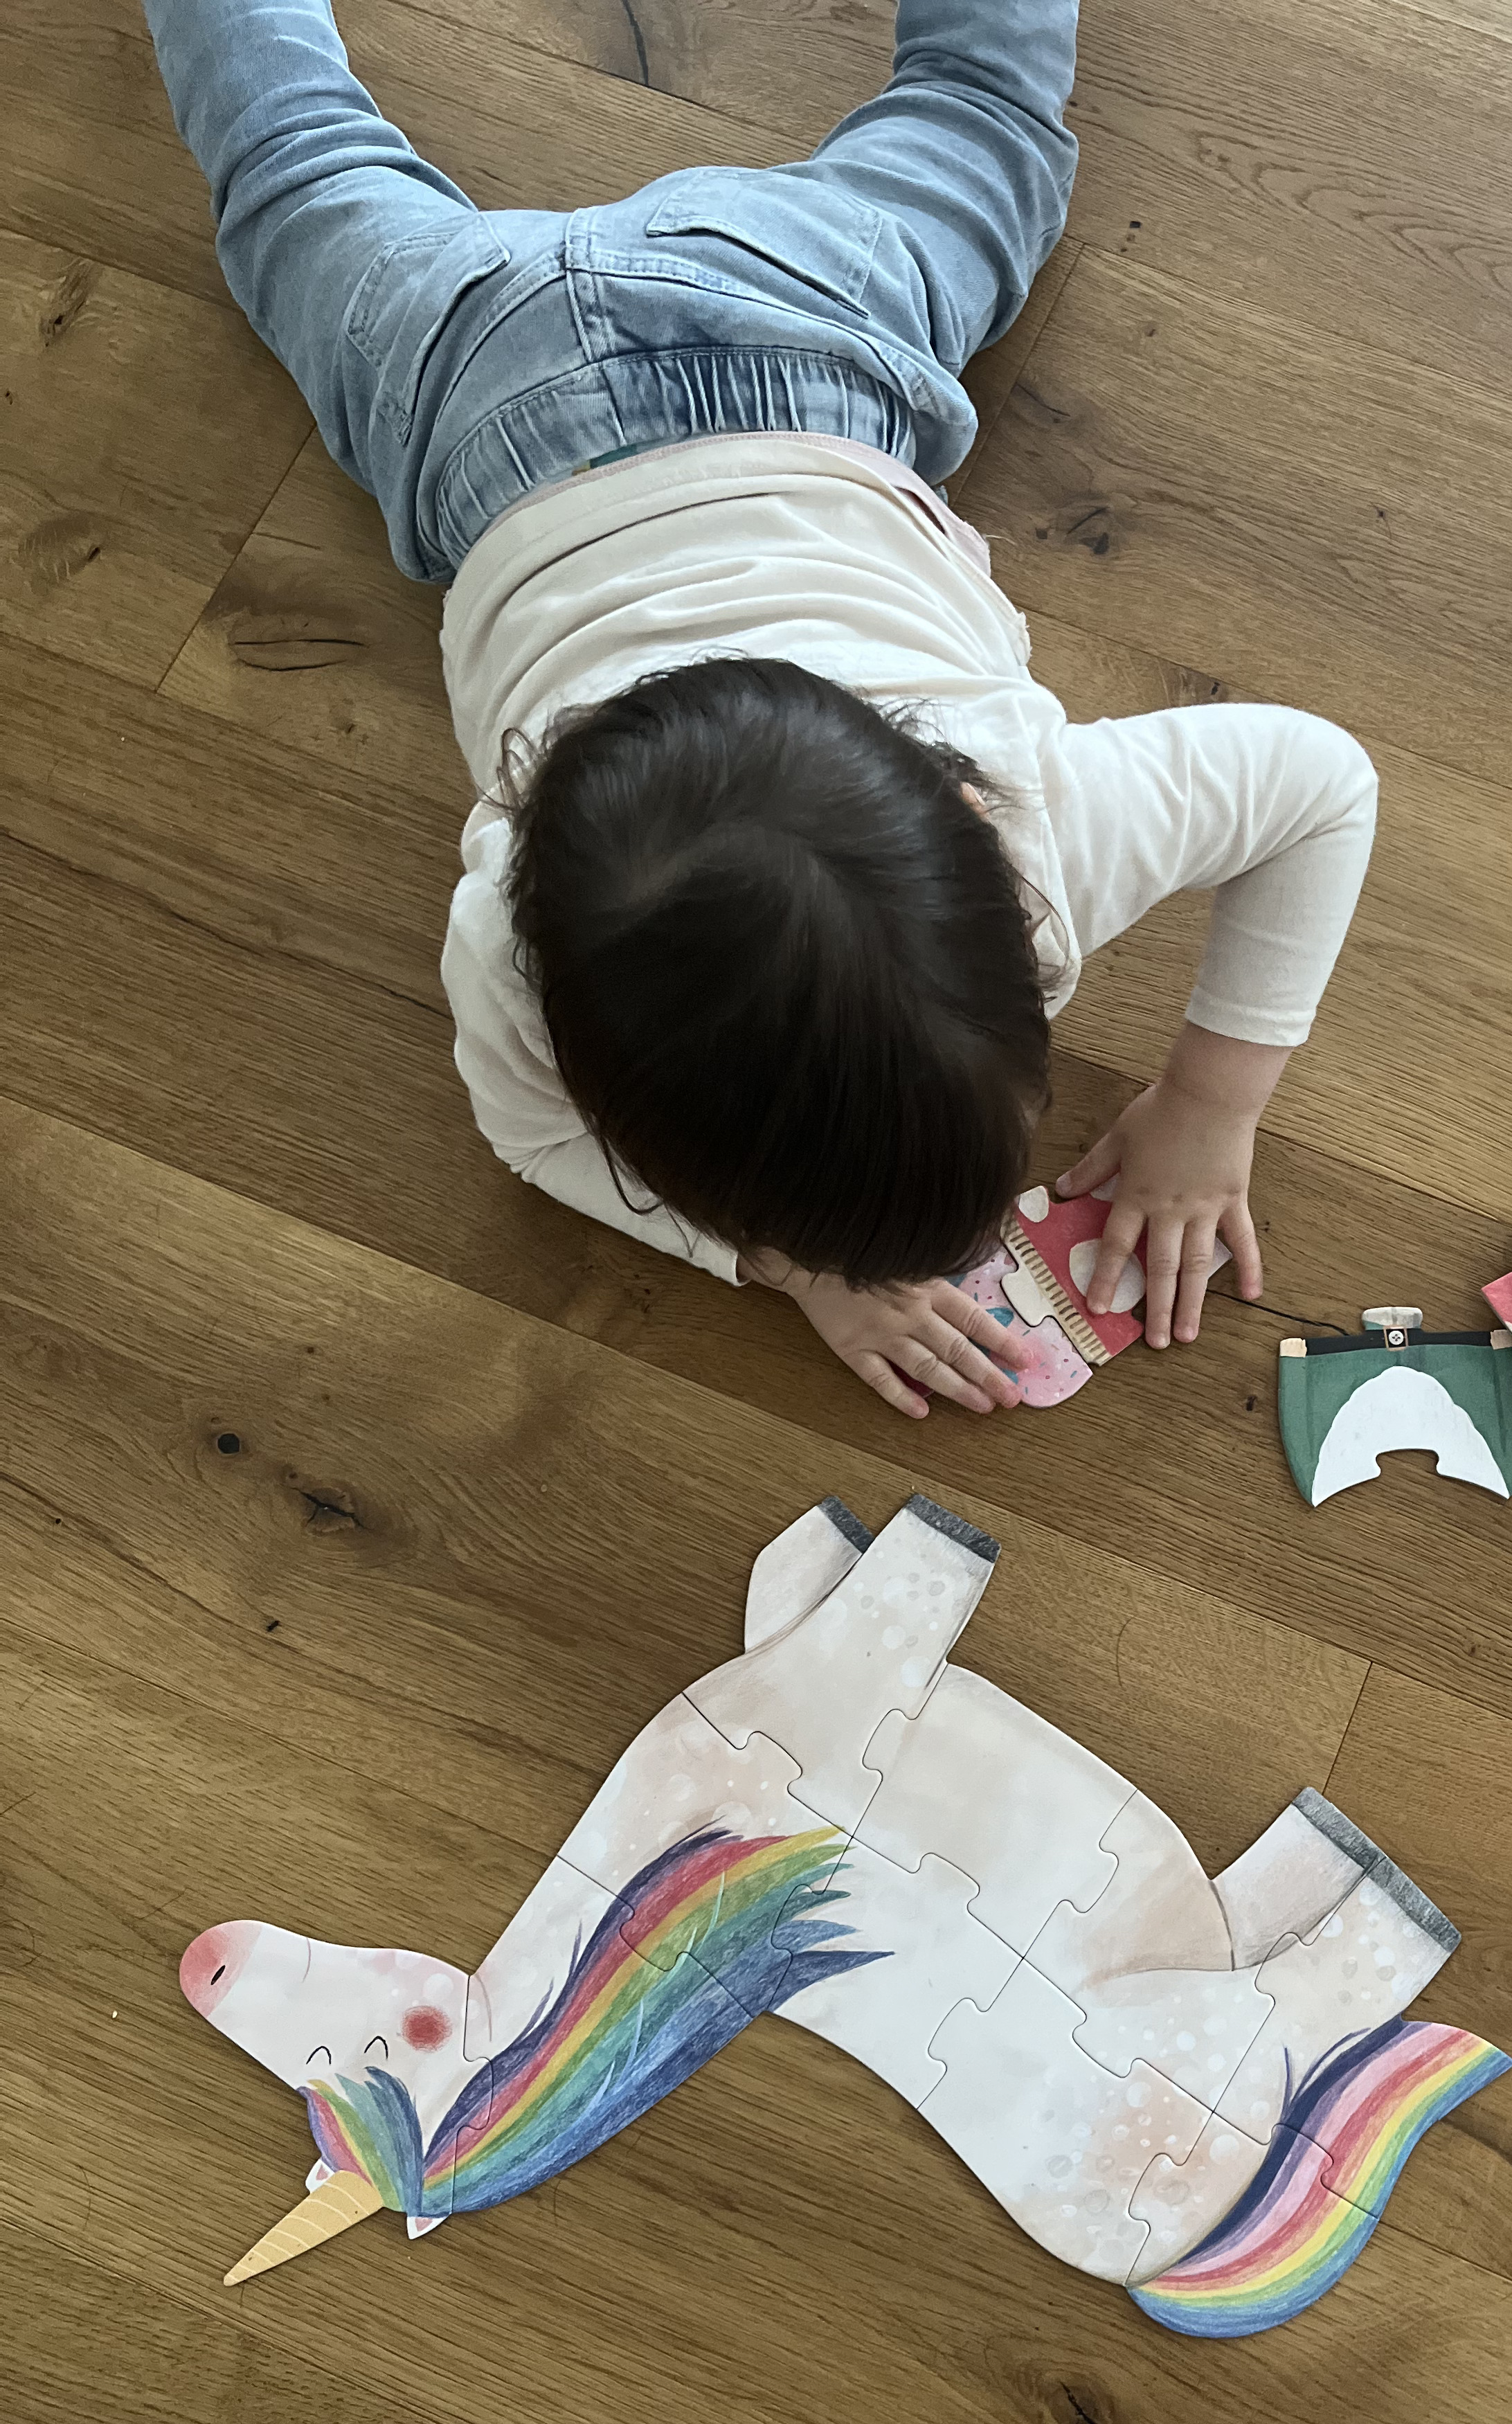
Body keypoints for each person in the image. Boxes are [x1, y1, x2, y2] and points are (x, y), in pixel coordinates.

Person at [145, 0, 1378, 1419]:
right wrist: (792, 1273)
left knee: (989, 116)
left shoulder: (1036, 819)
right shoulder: (506, 949)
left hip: (773, 324)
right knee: (294, 164)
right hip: (528, 363)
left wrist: (1216, 1106)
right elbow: (523, 1138)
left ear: (974, 805)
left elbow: (1325, 788)